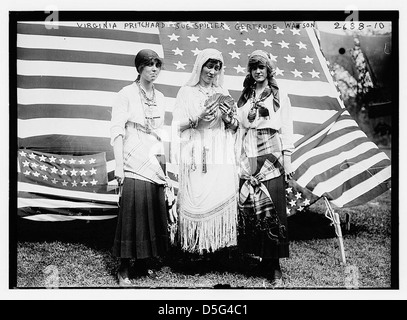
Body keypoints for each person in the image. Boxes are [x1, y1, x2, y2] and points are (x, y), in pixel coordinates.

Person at [110, 49, 174, 286]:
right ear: (139, 68)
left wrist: (162, 158)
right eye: (150, 65)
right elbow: (117, 130)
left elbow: (160, 129)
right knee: (133, 210)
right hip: (132, 152)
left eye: (158, 65)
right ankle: (124, 266)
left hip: (153, 153)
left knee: (151, 208)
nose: (154, 69)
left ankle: (144, 260)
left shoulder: (162, 97)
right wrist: (118, 165)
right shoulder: (125, 94)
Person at [172, 48, 240, 255]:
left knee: (218, 193)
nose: (212, 72)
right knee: (197, 196)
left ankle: (215, 247)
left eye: (217, 68)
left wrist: (229, 119)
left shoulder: (224, 94)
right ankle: (195, 248)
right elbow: (176, 126)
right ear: (199, 67)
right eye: (209, 66)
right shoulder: (186, 92)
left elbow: (235, 126)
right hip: (196, 150)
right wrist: (198, 118)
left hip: (220, 151)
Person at [236, 50, 295, 284]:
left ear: (269, 70)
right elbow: (241, 125)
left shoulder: (279, 95)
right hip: (249, 153)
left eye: (262, 67)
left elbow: (286, 127)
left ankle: (275, 265)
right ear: (249, 71)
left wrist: (287, 159)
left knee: (273, 208)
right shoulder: (245, 96)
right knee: (254, 206)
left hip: (271, 154)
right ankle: (261, 259)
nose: (258, 71)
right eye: (254, 67)